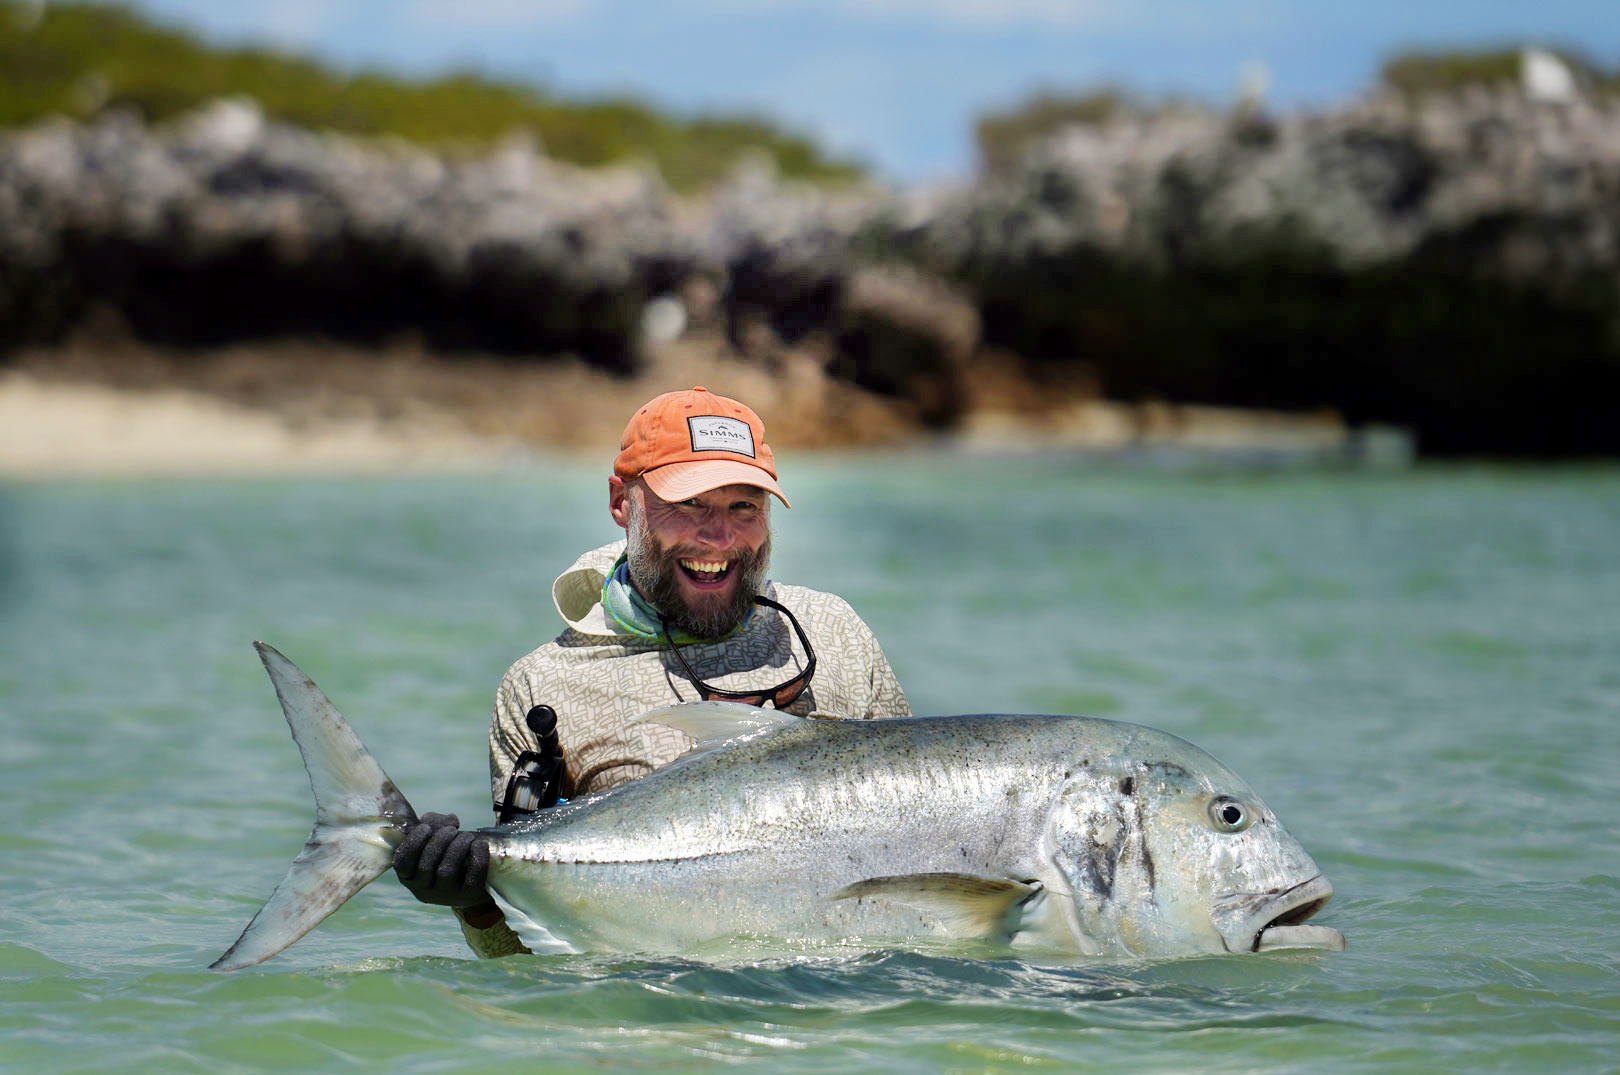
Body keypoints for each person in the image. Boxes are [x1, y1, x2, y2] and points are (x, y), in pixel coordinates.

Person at [393, 386, 912, 956]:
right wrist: (472, 901)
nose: (719, 538)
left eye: (745, 506)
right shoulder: (542, 686)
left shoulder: (837, 635)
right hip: (650, 1028)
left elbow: (922, 864)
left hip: (822, 1022)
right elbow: (523, 964)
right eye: (688, 504)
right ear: (622, 502)